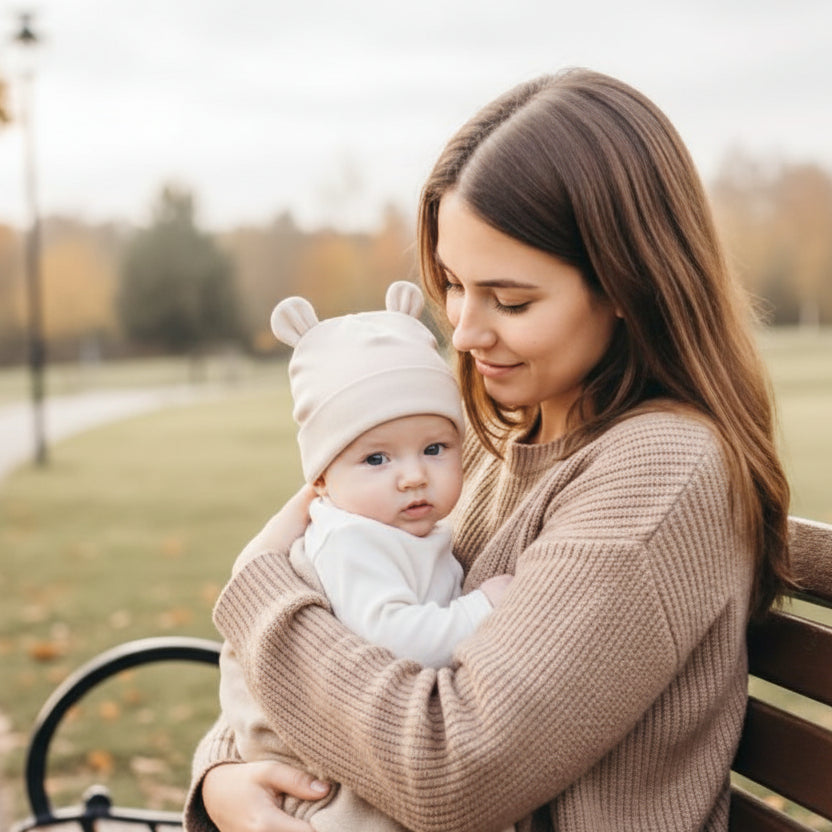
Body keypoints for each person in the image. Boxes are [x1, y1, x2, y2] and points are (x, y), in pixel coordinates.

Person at [186, 68, 793, 832]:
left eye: (511, 300)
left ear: (625, 285)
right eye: (451, 284)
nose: (465, 334)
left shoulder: (658, 471)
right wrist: (226, 772)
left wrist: (259, 597)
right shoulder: (480, 438)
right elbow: (334, 597)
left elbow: (451, 767)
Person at [218, 280, 514, 831]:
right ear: (322, 479)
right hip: (331, 780)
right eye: (376, 458)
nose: (412, 475)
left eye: (434, 448)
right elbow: (392, 638)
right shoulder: (353, 542)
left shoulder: (395, 527)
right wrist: (480, 611)